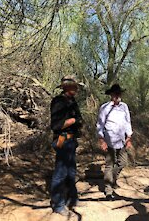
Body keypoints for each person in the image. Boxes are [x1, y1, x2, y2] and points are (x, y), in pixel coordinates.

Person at [49, 75, 85, 216]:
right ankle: (58, 204)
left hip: (71, 141)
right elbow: (56, 125)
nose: (77, 89)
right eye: (74, 86)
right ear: (67, 87)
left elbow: (79, 119)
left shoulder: (72, 101)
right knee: (61, 172)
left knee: (71, 171)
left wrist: (78, 123)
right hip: (62, 140)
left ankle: (72, 199)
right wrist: (73, 121)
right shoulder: (58, 102)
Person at [96, 83, 133, 200]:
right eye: (115, 94)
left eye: (119, 93)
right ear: (111, 95)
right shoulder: (105, 108)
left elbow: (127, 122)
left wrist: (129, 138)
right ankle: (108, 190)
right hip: (109, 140)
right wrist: (102, 140)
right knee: (109, 165)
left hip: (121, 140)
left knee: (122, 162)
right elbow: (100, 125)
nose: (117, 96)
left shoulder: (124, 107)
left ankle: (112, 180)